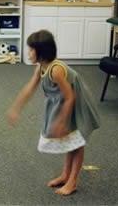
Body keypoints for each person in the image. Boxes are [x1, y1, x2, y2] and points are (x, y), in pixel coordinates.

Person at [6, 30, 100, 196]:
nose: (28, 52)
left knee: (76, 142)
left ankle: (73, 181)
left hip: (76, 102)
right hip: (62, 101)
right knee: (69, 141)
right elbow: (30, 87)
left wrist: (62, 122)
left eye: (31, 49)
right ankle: (65, 175)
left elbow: (70, 97)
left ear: (41, 52)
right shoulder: (41, 67)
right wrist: (16, 107)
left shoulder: (56, 70)